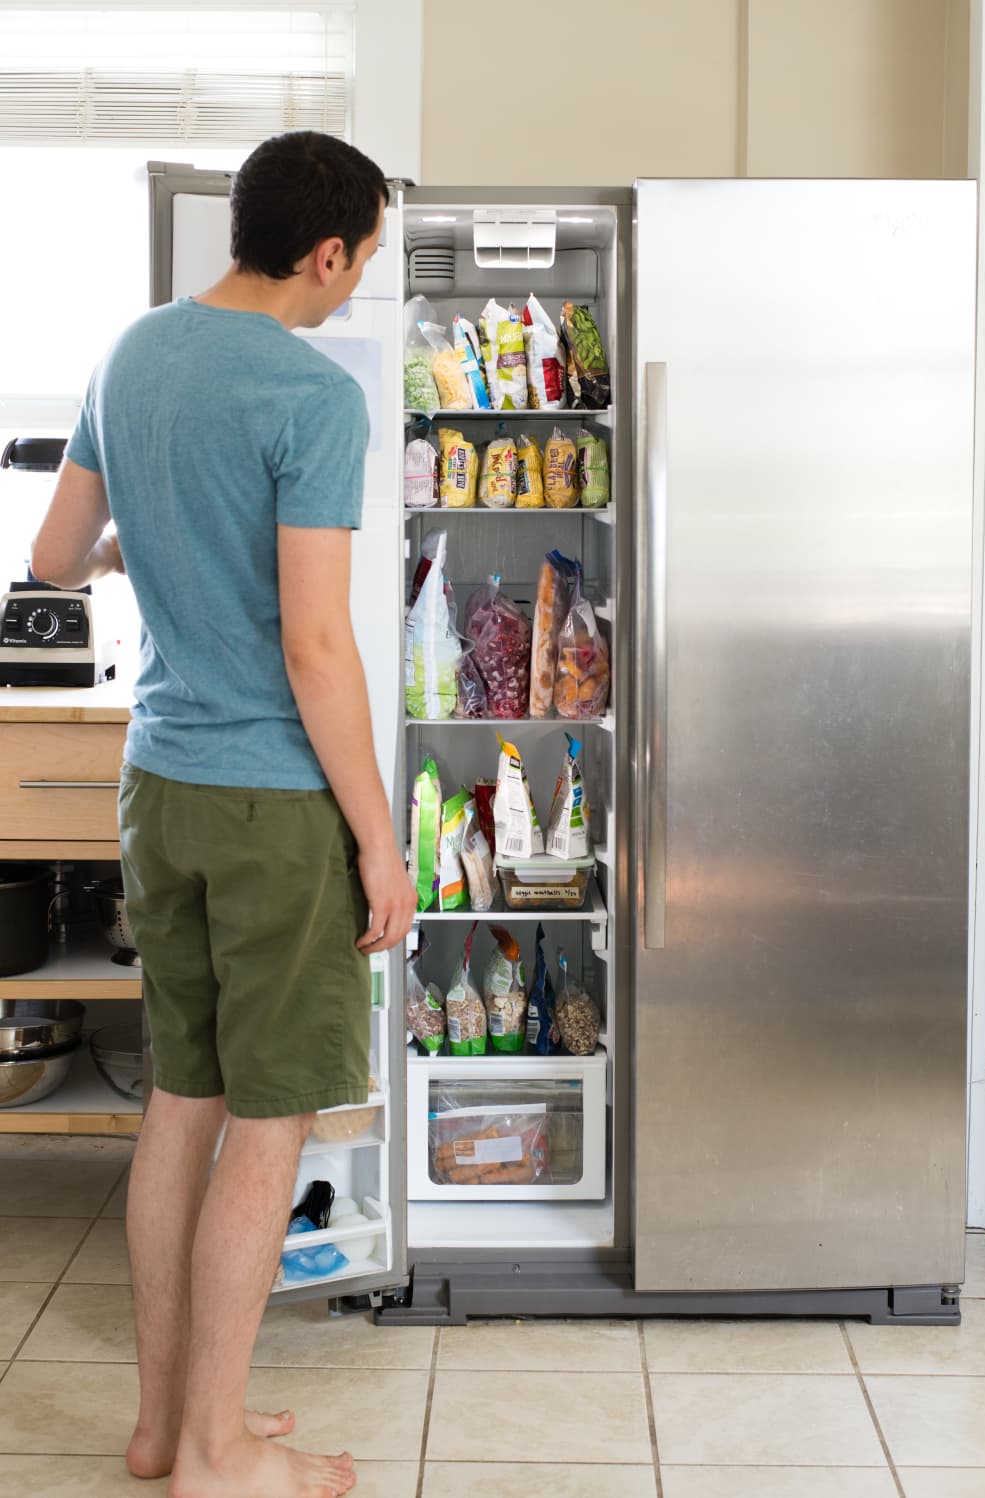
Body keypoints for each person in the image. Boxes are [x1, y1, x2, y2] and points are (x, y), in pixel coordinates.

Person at [31, 130, 415, 1498]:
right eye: (362, 257)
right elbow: (318, 648)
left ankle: (161, 1428)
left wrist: (171, 532)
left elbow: (56, 555)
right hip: (268, 806)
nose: (356, 281)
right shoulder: (312, 398)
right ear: (325, 253)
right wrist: (379, 834)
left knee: (180, 1102)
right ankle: (215, 1451)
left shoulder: (130, 354)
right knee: (269, 1121)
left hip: (162, 787)